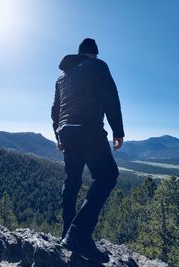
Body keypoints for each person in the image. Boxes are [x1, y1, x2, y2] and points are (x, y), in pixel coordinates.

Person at [51, 38, 124, 263]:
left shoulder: (62, 77)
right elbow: (110, 98)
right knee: (108, 175)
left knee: (72, 181)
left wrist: (59, 135)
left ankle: (67, 232)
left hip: (67, 132)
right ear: (93, 54)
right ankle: (78, 234)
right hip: (88, 128)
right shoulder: (97, 66)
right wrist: (118, 131)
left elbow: (55, 110)